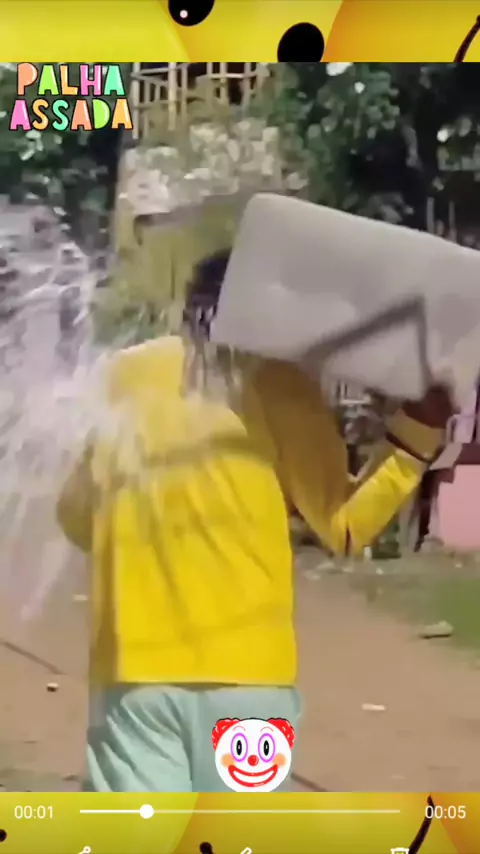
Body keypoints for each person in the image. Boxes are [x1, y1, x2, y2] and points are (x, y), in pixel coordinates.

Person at [56, 248, 452, 792]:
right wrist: (418, 432)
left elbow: (75, 516)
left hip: (134, 675)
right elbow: (345, 526)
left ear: (188, 307)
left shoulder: (123, 375)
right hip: (249, 681)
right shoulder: (279, 383)